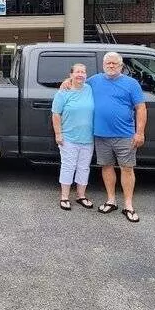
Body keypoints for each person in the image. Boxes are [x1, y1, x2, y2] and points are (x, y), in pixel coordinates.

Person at [62, 51, 147, 223]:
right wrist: (67, 81)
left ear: (121, 66)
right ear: (103, 65)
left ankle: (128, 205)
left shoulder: (131, 84)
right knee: (107, 167)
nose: (111, 65)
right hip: (101, 135)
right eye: (108, 63)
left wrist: (139, 132)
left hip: (125, 134)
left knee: (127, 168)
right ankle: (111, 200)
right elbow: (78, 82)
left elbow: (141, 108)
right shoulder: (95, 80)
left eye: (115, 63)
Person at [51, 63, 94, 211]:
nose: (80, 74)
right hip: (68, 138)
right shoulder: (63, 92)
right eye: (77, 72)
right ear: (71, 75)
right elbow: (56, 114)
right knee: (68, 167)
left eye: (83, 72)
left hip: (88, 138)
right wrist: (58, 134)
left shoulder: (89, 89)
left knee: (84, 168)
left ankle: (81, 196)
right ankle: (64, 197)